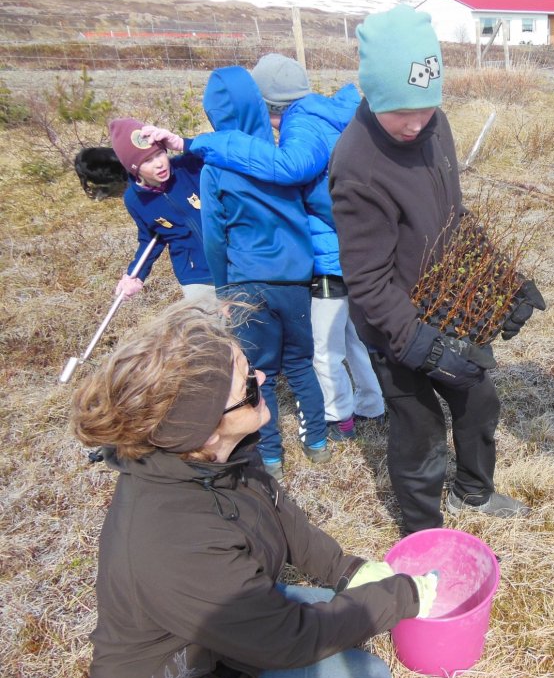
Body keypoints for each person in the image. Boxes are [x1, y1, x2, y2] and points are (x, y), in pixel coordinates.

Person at [71, 302, 437, 678]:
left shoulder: (218, 458)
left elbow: (279, 513)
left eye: (250, 368)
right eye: (247, 385)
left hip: (221, 642)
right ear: (204, 430)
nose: (262, 377)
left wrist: (348, 570)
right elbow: (287, 639)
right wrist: (404, 596)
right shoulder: (174, 540)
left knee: (345, 609)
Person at [329, 5, 543, 533]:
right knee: (418, 428)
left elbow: (453, 219)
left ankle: (474, 490)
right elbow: (368, 282)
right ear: (374, 94)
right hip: (396, 326)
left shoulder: (433, 126)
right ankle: (423, 528)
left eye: (427, 108)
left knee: (479, 400)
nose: (417, 122)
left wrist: (501, 281)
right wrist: (420, 345)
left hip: (448, 302)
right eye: (402, 111)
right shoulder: (358, 166)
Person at [185, 53, 385, 440]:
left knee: (325, 349)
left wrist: (203, 143)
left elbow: (291, 172)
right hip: (355, 253)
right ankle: (373, 401)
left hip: (328, 261)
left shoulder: (299, 134)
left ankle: (339, 420)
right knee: (352, 337)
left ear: (272, 108)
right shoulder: (332, 117)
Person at [197, 65, 329, 482]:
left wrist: (223, 289)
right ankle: (319, 442)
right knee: (301, 363)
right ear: (258, 104)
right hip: (295, 280)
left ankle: (270, 455)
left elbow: (214, 237)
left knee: (262, 372)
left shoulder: (216, 165)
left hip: (248, 282)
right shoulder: (277, 156)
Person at [108, 117, 214, 303]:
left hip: (233, 257)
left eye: (159, 154)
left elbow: (220, 148)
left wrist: (182, 143)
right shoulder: (134, 200)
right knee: (210, 328)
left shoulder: (188, 166)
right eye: (148, 160)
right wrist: (135, 274)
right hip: (195, 273)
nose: (159, 163)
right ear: (134, 169)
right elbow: (149, 238)